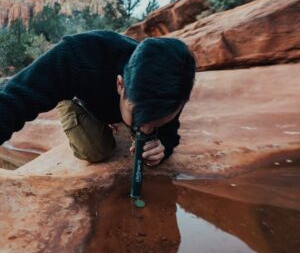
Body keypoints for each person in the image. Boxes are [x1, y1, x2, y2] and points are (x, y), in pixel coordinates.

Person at [0, 30, 196, 166]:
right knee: (95, 151)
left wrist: (164, 145)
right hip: (79, 93)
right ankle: (78, 105)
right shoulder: (78, 55)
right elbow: (14, 100)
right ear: (121, 85)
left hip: (118, 99)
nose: (145, 131)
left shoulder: (169, 84)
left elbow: (170, 133)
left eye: (154, 123)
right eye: (141, 121)